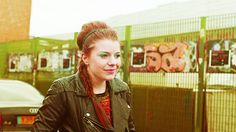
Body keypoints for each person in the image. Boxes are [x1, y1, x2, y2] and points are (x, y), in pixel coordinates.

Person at [32, 21, 136, 132]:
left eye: (117, 55)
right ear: (85, 57)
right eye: (104, 55)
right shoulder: (63, 90)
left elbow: (130, 128)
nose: (113, 62)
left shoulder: (122, 89)